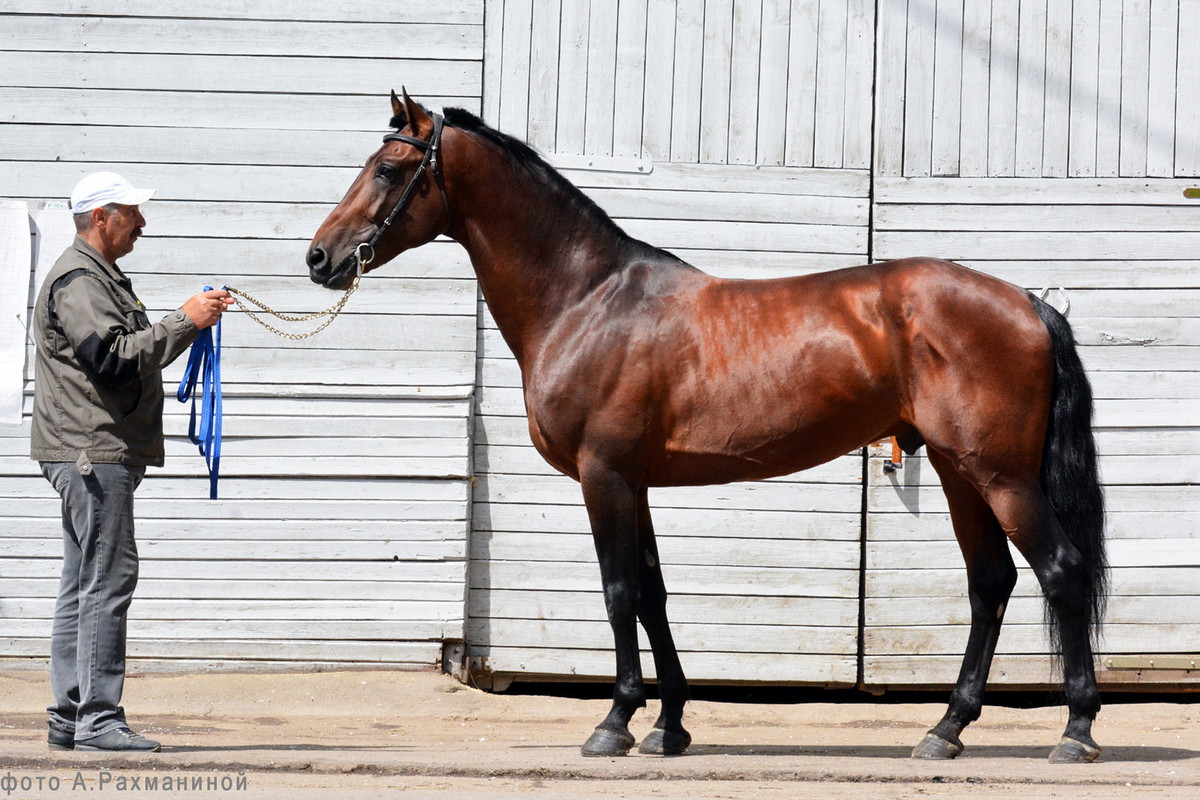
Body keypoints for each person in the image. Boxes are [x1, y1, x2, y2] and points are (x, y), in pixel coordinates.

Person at [30, 172, 233, 752]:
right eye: (131, 213)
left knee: (83, 581)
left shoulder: (99, 278)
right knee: (109, 580)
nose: (141, 223)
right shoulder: (80, 280)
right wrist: (185, 320)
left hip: (90, 449)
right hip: (92, 453)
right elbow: (111, 358)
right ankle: (98, 718)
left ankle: (70, 716)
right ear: (101, 218)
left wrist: (186, 323)